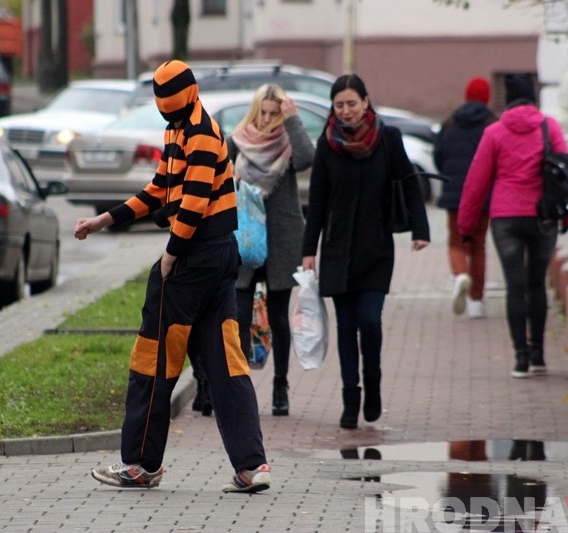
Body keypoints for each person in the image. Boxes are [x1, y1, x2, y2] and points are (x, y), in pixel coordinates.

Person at [73, 60, 271, 493]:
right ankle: (251, 466)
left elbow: (195, 202)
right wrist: (105, 219)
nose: (164, 109)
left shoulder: (198, 132)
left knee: (154, 358)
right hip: (219, 258)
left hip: (195, 257)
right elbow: (158, 190)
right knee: (224, 361)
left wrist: (170, 255)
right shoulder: (181, 128)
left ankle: (142, 464)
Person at [301, 74, 430, 429]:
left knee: (370, 322)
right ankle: (350, 396)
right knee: (346, 326)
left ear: (366, 102)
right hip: (338, 250)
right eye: (339, 105)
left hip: (376, 248)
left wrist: (421, 229)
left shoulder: (388, 137)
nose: (345, 111)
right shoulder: (328, 143)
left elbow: (408, 181)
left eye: (351, 104)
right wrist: (308, 250)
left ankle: (372, 384)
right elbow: (318, 200)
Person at [458, 73, 568, 379]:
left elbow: (476, 182)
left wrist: (466, 226)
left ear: (506, 99)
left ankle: (520, 359)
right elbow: (566, 174)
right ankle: (538, 356)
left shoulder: (494, 132)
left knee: (515, 286)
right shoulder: (550, 128)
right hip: (543, 216)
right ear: (534, 96)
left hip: (506, 218)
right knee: (537, 284)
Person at [228, 83, 315, 417]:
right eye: (262, 112)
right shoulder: (238, 141)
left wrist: (293, 120)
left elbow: (309, 158)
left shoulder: (289, 144)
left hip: (281, 238)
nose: (266, 119)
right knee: (237, 314)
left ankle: (281, 386)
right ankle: (238, 386)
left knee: (279, 316)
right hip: (246, 238)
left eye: (274, 113)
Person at [434, 77, 497, 319]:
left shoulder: (449, 123)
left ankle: (460, 275)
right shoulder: (492, 124)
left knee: (457, 243)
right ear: (487, 97)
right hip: (482, 196)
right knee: (478, 246)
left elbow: (439, 156)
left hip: (455, 194)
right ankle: (476, 303)